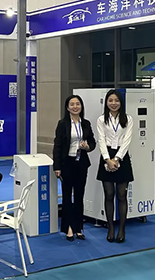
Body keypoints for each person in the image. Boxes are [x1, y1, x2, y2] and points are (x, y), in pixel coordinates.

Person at [53, 94, 96, 241]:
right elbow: (57, 146)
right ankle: (68, 228)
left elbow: (93, 142)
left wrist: (87, 147)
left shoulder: (86, 123)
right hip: (67, 163)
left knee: (79, 196)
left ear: (81, 106)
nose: (75, 107)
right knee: (67, 196)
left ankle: (78, 228)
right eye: (72, 104)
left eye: (77, 104)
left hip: (81, 163)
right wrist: (57, 166)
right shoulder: (62, 124)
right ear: (67, 107)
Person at [96, 89, 134, 243]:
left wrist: (117, 158)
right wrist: (108, 160)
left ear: (121, 102)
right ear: (106, 102)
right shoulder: (101, 119)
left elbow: (127, 140)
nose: (113, 103)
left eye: (116, 100)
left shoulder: (128, 119)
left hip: (122, 157)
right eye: (110, 100)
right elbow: (101, 139)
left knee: (122, 195)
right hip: (106, 156)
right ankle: (110, 228)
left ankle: (122, 229)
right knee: (109, 194)